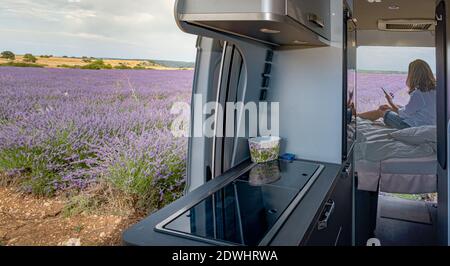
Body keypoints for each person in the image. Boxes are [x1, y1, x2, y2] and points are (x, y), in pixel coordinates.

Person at [358, 59, 436, 129]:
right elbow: (414, 110)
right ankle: (358, 115)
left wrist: (390, 102)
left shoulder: (419, 93)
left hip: (410, 126)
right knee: (390, 107)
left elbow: (403, 114)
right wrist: (392, 106)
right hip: (427, 123)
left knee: (381, 110)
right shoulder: (437, 90)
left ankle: (357, 116)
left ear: (413, 75)